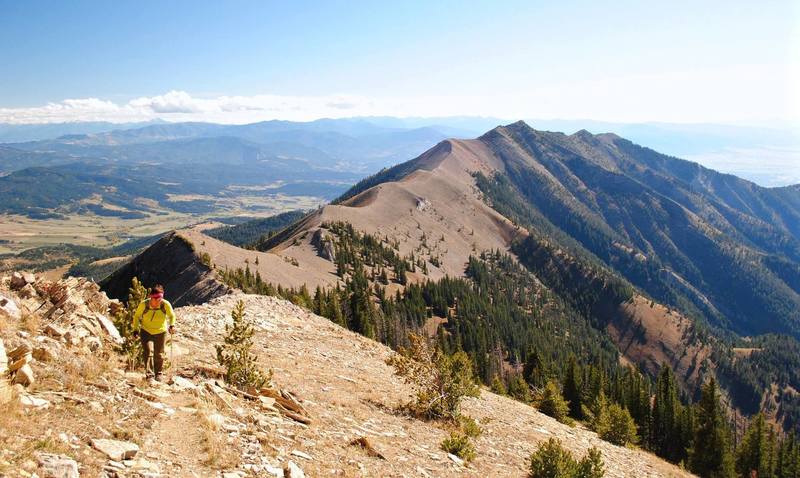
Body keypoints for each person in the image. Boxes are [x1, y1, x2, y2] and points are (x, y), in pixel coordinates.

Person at [132, 284, 176, 382]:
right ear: (151, 297)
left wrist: (172, 325)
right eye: (156, 299)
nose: (158, 301)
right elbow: (136, 316)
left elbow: (172, 316)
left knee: (159, 354)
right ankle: (150, 376)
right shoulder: (144, 304)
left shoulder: (165, 304)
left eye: (160, 298)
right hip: (146, 331)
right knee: (148, 352)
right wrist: (135, 329)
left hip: (161, 332)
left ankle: (158, 374)